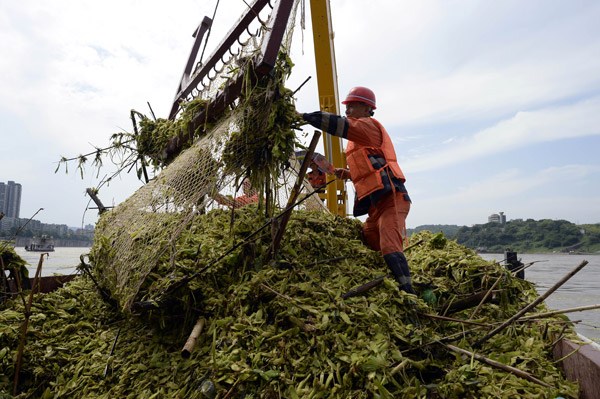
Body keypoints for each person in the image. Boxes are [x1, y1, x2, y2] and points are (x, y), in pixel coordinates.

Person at [297, 86, 415, 294]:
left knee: (389, 245)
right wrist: (348, 174)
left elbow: (339, 125)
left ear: (367, 108)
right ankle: (386, 280)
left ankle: (408, 291)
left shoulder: (369, 126)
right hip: (375, 206)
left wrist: (305, 117)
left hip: (392, 199)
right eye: (347, 107)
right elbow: (370, 170)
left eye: (352, 106)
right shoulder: (358, 141)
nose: (348, 110)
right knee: (369, 238)